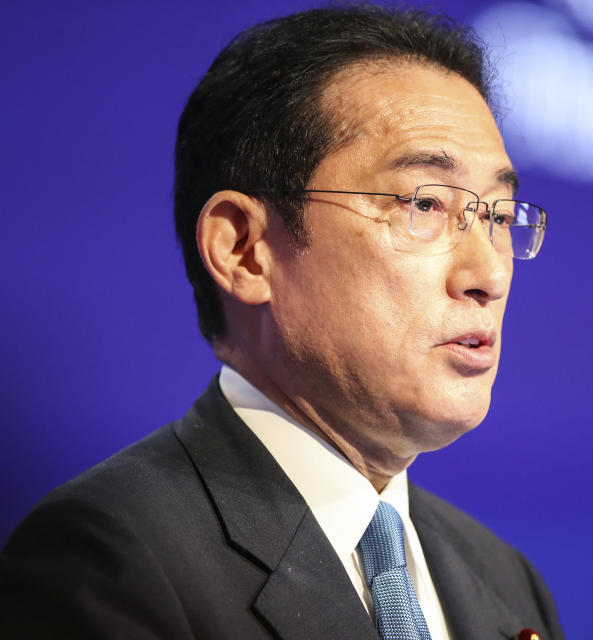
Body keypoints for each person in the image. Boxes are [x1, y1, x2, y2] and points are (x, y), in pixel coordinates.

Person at [0, 5, 561, 640]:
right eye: (424, 204)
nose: (489, 272)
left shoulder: (507, 582)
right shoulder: (110, 560)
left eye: (499, 215)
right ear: (244, 249)